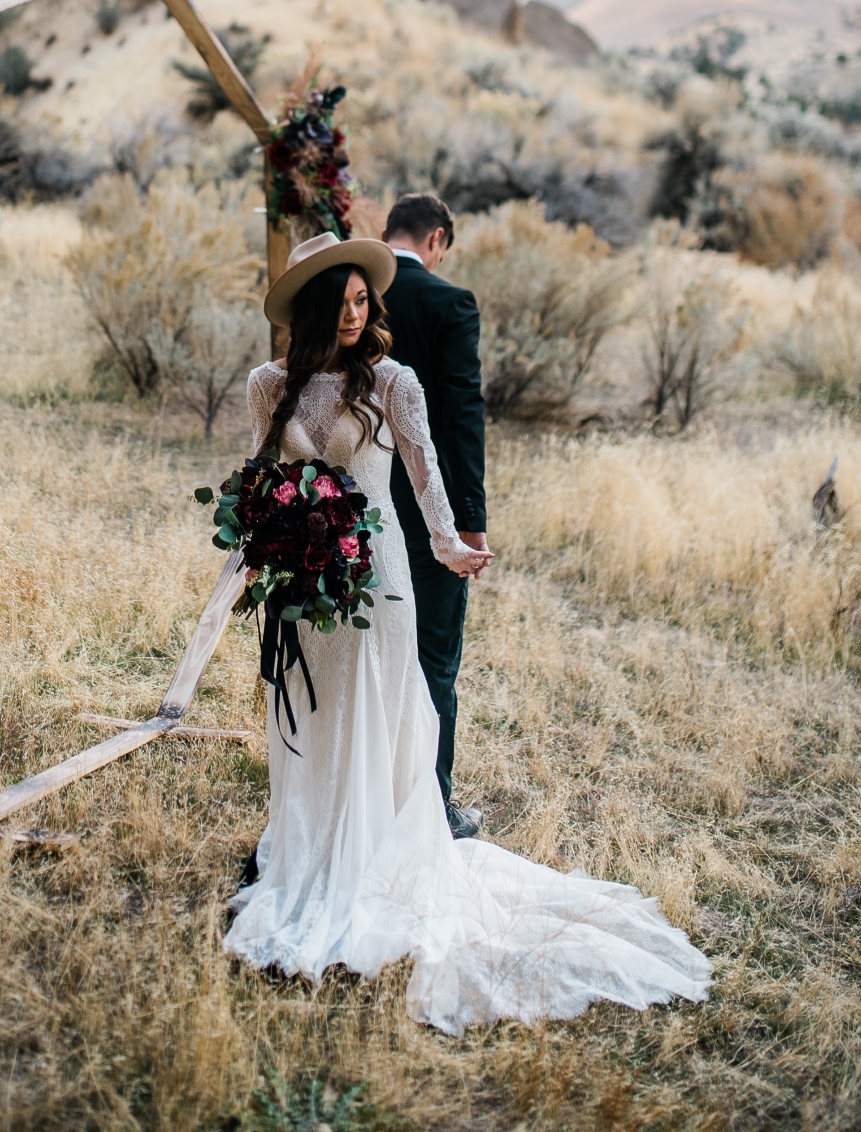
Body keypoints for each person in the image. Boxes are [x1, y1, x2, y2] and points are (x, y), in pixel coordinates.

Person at [225, 230, 711, 1034]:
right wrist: (259, 541)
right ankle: (309, 852)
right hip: (304, 587)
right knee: (308, 716)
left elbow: (423, 476)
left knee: (373, 713)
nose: (354, 314)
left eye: (361, 300)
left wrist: (450, 543)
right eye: (339, 302)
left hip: (375, 578)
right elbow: (258, 476)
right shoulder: (269, 384)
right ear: (312, 308)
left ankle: (367, 861)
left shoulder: (392, 382)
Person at [381, 192, 487, 837]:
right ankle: (431, 808)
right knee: (434, 658)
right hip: (428, 510)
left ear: (385, 232)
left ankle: (371, 792)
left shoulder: (352, 294)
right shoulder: (451, 304)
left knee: (365, 653)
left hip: (349, 507)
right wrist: (469, 518)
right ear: (438, 239)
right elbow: (461, 416)